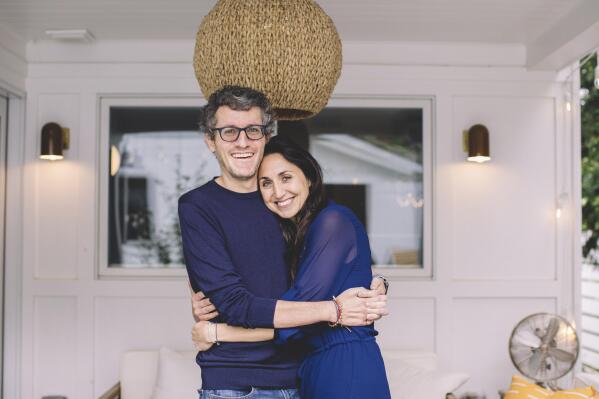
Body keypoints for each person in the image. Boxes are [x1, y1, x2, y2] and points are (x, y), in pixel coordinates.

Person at [178, 85, 389, 399]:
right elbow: (234, 302)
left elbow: (322, 277)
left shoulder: (291, 211)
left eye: (252, 130)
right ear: (210, 140)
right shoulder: (199, 206)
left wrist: (374, 285)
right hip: (238, 382)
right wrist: (333, 310)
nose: (242, 142)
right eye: (228, 132)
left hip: (300, 375)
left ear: (267, 135)